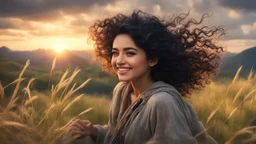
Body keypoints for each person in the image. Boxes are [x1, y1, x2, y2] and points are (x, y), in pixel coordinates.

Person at [65, 10, 224, 144]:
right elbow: (117, 134)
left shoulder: (162, 102)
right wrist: (92, 131)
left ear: (152, 59)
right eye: (115, 53)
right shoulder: (122, 91)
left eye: (130, 53)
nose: (119, 61)